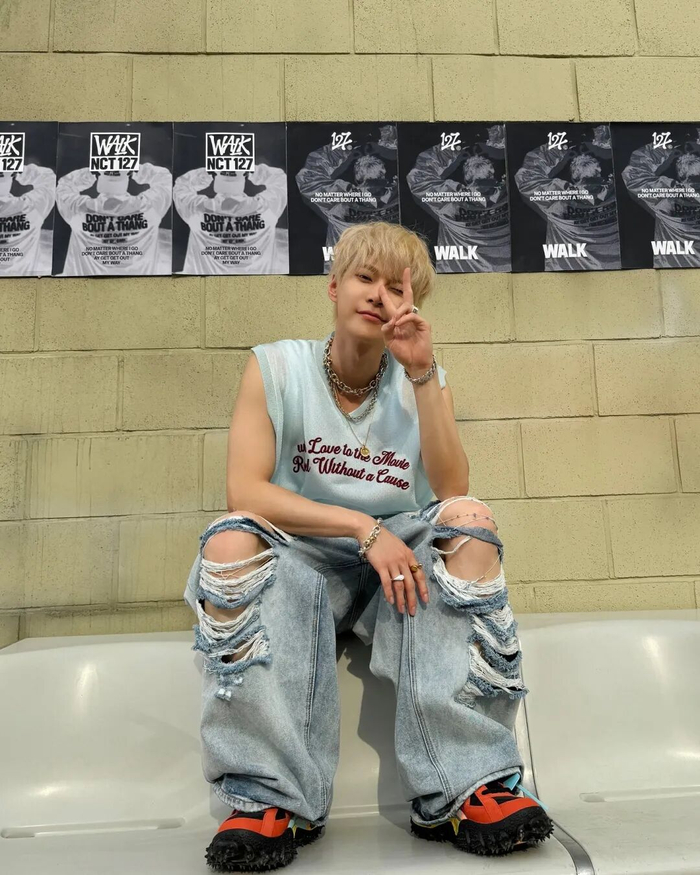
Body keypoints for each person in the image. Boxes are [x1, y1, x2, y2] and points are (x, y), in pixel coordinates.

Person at [183, 221, 554, 872]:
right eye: (364, 278)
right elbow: (246, 490)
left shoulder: (422, 376)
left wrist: (424, 374)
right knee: (232, 540)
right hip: (303, 555)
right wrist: (363, 528)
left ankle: (467, 784)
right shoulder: (275, 365)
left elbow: (451, 486)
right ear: (334, 287)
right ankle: (268, 796)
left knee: (470, 521)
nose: (379, 295)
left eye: (396, 287)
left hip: (400, 565)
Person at [514, 124, 621, 271]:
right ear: (599, 170)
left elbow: (527, 177)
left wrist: (562, 144)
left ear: (574, 175)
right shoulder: (616, 191)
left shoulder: (557, 197)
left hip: (565, 270)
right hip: (614, 268)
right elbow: (632, 167)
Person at [406, 124, 511, 272]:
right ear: (492, 173)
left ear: (467, 178)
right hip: (506, 271)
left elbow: (419, 177)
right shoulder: (509, 193)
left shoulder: (450, 198)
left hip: (458, 272)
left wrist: (456, 145)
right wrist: (501, 140)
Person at [295, 128, 399, 274]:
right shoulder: (398, 195)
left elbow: (309, 177)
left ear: (357, 178)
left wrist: (347, 146)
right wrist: (385, 142)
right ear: (384, 174)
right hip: (387, 271)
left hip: (343, 274)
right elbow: (419, 170)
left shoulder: (338, 198)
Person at [54, 163, 172, 275]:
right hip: (139, 286)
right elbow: (165, 180)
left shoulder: (79, 210)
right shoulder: (149, 208)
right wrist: (133, 168)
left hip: (87, 287)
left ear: (100, 183)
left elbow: (63, 187)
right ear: (125, 182)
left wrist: (92, 172)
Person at [172, 164, 288, 274]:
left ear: (217, 183)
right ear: (242, 183)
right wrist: (249, 168)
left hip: (206, 285)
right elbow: (281, 180)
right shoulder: (266, 209)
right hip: (258, 285)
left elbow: (181, 187)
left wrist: (208, 172)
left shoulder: (197, 210)